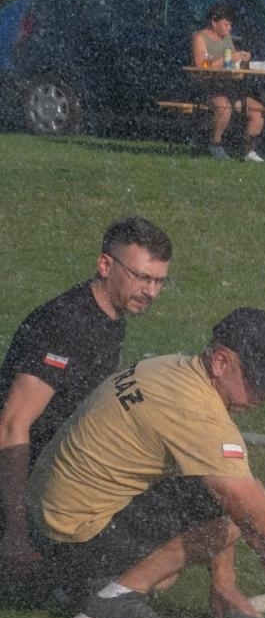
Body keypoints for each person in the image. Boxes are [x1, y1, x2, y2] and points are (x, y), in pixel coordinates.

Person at [29, 308, 265, 618]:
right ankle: (111, 600)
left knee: (223, 497)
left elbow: (212, 489)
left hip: (45, 525)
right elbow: (261, 534)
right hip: (72, 539)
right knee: (233, 521)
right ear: (220, 362)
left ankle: (81, 584)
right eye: (257, 380)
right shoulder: (200, 418)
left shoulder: (171, 367)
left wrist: (223, 586)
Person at [0, 217, 172, 580]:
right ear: (105, 265)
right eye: (142, 277)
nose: (151, 292)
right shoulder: (66, 323)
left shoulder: (110, 316)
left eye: (159, 281)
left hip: (62, 482)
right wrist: (14, 535)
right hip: (31, 496)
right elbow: (12, 424)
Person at [190, 2, 265, 162]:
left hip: (230, 85)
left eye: (230, 24)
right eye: (226, 24)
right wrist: (227, 58)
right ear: (214, 22)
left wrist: (243, 59)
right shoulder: (200, 37)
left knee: (256, 110)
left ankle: (249, 150)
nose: (229, 28)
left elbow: (232, 64)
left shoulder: (227, 39)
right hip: (209, 85)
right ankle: (215, 144)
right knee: (224, 108)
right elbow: (201, 65)